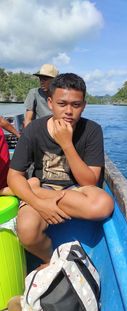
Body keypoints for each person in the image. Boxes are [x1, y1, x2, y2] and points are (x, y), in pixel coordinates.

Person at [7, 73, 114, 264]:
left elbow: (89, 182)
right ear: (50, 103)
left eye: (76, 105)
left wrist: (67, 144)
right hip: (48, 188)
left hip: (76, 189)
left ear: (84, 105)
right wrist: (38, 203)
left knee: (103, 205)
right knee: (27, 231)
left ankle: (33, 188)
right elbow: (14, 175)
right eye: (62, 104)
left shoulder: (92, 130)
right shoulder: (34, 130)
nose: (69, 111)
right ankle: (51, 262)